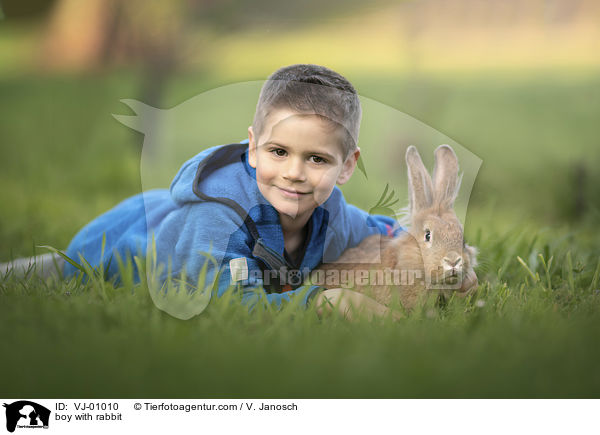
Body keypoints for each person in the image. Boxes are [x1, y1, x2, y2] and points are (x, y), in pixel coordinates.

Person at [2, 64, 402, 319]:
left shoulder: (332, 213)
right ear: (252, 148)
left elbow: (384, 233)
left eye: (317, 159)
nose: (294, 173)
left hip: (173, 215)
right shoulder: (217, 217)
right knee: (45, 275)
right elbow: (225, 304)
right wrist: (319, 304)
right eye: (278, 152)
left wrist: (436, 259)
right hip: (126, 235)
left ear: (347, 165)